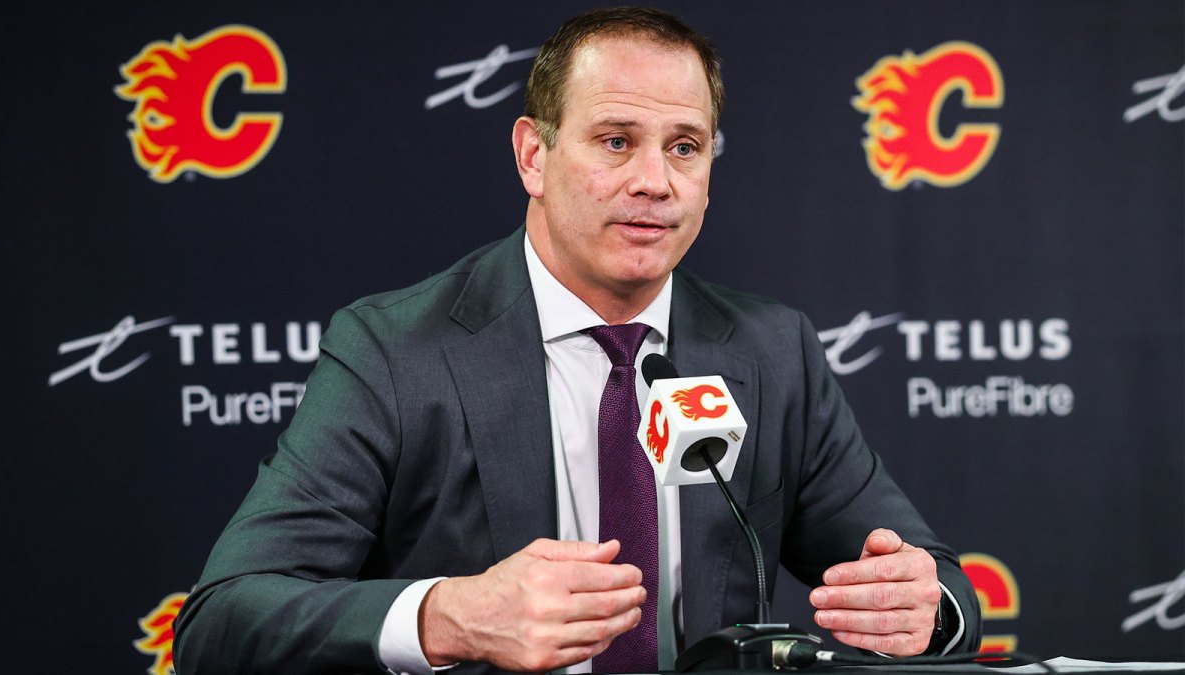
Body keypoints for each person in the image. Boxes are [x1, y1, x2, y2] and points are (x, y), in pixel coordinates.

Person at [174, 7, 981, 674]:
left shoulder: (774, 350)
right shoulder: (394, 351)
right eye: (616, 140)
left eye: (684, 147)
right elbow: (222, 620)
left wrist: (924, 607)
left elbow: (940, 584)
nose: (654, 182)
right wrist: (449, 614)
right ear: (534, 155)